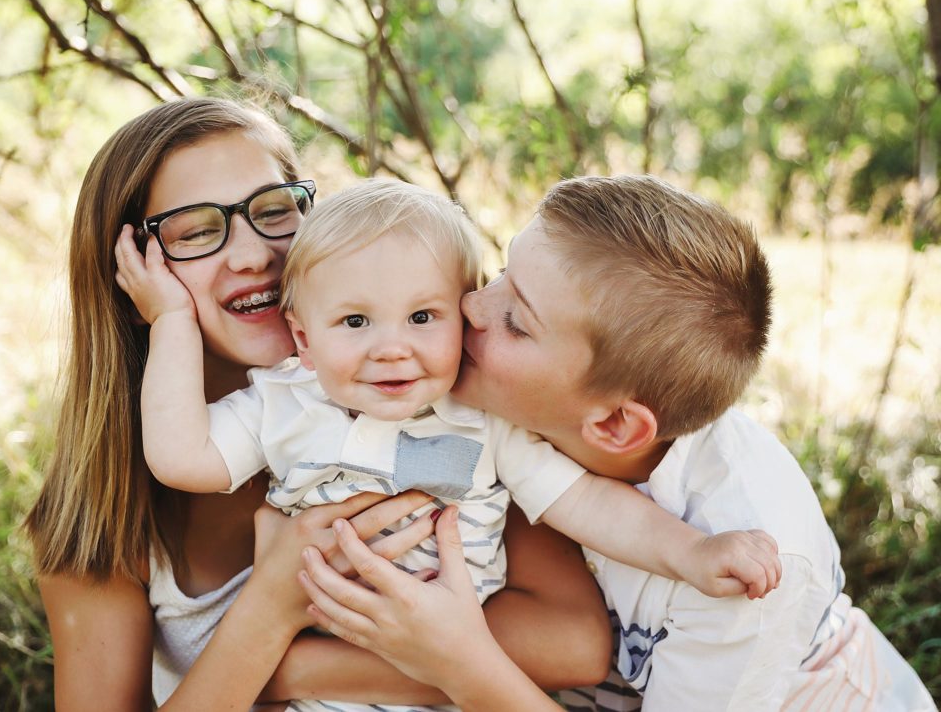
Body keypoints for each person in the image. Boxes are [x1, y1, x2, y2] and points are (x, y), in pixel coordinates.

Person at [23, 97, 614, 711]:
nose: (255, 255)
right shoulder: (101, 511)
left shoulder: (430, 405)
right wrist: (269, 612)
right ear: (128, 273)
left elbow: (572, 642)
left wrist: (298, 669)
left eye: (274, 211)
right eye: (197, 230)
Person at [116, 177, 781, 711]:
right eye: (354, 321)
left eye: (424, 316)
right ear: (303, 337)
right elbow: (181, 457)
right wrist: (171, 321)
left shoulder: (479, 416)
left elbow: (587, 502)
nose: (392, 346)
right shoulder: (286, 401)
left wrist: (691, 552)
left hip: (458, 683)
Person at [301, 175, 937, 711]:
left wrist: (461, 663)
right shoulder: (527, 404)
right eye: (499, 274)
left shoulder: (745, 583)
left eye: (516, 322)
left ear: (613, 426)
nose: (470, 304)